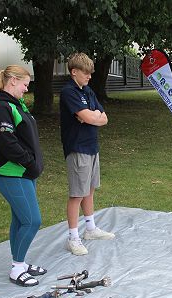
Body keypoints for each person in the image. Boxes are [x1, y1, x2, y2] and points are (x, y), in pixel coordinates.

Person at [0, 65, 47, 287]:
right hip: (12, 173)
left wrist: (32, 164)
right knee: (32, 220)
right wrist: (29, 162)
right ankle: (17, 268)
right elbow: (7, 143)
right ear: (12, 80)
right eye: (25, 84)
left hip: (24, 173)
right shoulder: (1, 107)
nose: (26, 89)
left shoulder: (14, 104)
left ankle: (19, 262)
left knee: (20, 219)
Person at [60, 52, 114, 256]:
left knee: (90, 189)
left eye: (91, 73)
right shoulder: (69, 92)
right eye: (86, 73)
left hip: (92, 146)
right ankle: (73, 238)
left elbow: (103, 117)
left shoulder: (88, 91)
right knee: (77, 193)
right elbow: (87, 116)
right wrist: (90, 116)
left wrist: (92, 117)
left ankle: (90, 229)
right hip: (77, 147)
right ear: (74, 72)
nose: (89, 76)